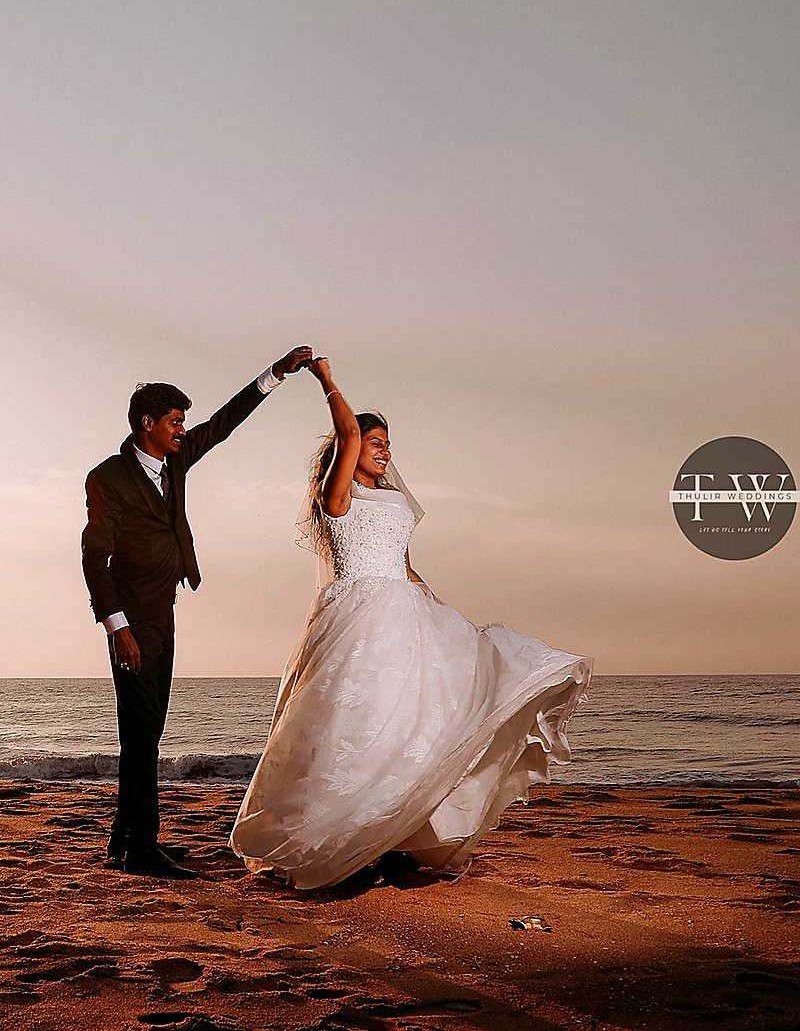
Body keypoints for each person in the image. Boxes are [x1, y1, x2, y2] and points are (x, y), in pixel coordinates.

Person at [229, 356, 592, 889]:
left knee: (413, 728)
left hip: (407, 613)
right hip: (358, 619)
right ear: (346, 450)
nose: (383, 450)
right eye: (373, 442)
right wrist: (326, 380)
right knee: (359, 728)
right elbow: (348, 432)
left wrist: (436, 604)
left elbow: (401, 561)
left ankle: (399, 838)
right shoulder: (338, 497)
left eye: (387, 443)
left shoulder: (395, 500)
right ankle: (342, 844)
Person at [82, 345, 315, 879]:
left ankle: (127, 840)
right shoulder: (108, 478)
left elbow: (225, 424)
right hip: (132, 619)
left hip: (163, 609)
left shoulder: (176, 459)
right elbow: (95, 557)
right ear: (148, 424)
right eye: (175, 421)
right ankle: (141, 849)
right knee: (140, 732)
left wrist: (275, 374)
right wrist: (118, 628)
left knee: (148, 730)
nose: (184, 429)